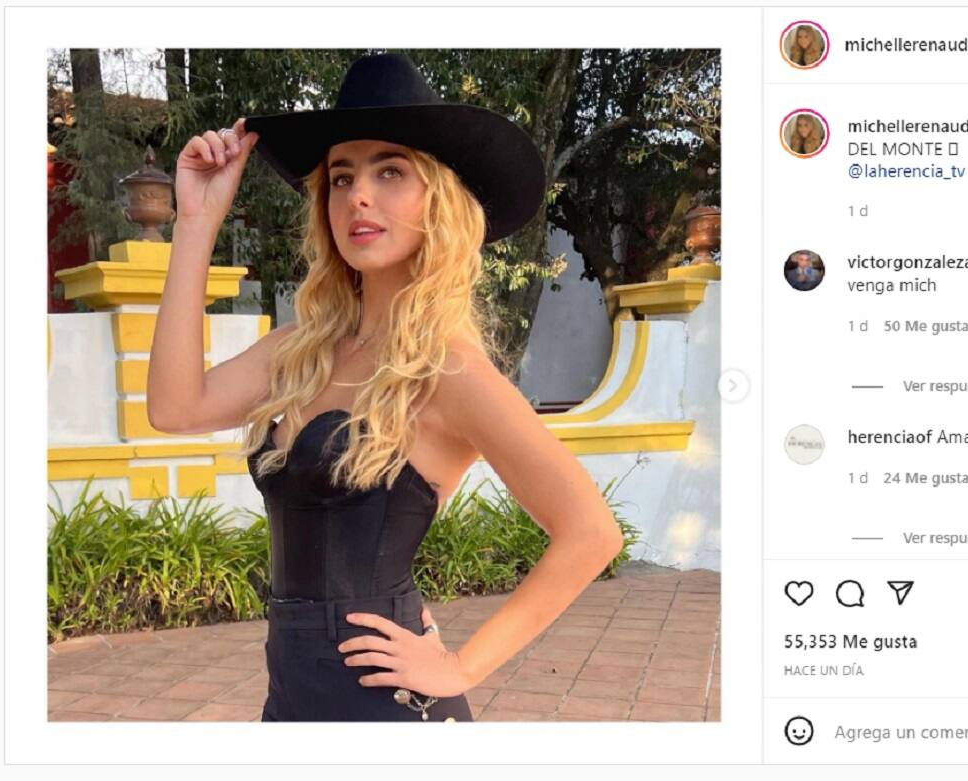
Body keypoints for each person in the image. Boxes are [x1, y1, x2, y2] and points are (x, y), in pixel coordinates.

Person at [147, 52, 625, 722]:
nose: (358, 195)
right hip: (290, 703)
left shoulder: (447, 371)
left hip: (387, 708)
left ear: (438, 199)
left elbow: (591, 532)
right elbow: (174, 408)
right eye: (341, 177)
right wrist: (196, 224)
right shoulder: (302, 350)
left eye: (390, 171)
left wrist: (460, 666)